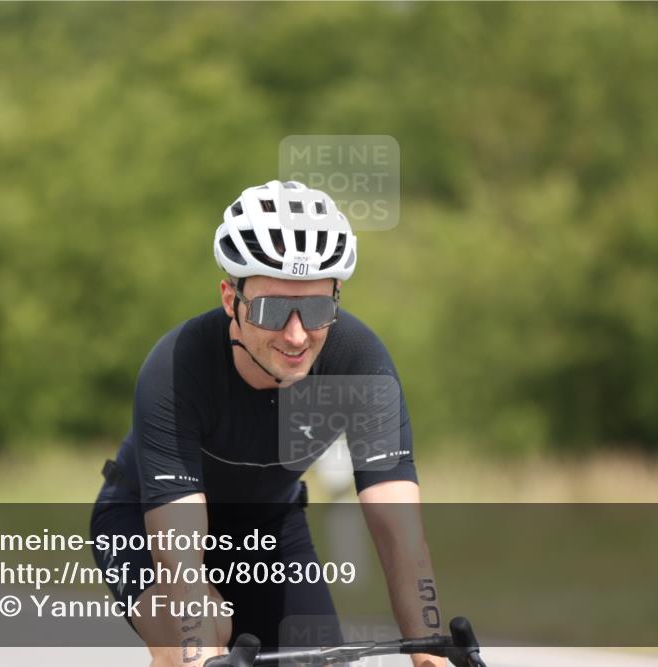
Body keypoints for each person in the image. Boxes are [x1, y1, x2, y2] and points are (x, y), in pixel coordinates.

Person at [91, 180, 446, 667]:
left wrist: (430, 653)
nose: (297, 334)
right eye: (273, 308)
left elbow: (400, 533)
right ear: (229, 298)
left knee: (319, 659)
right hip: (142, 520)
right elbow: (180, 556)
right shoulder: (178, 367)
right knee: (196, 637)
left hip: (270, 526)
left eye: (317, 308)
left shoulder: (360, 363)